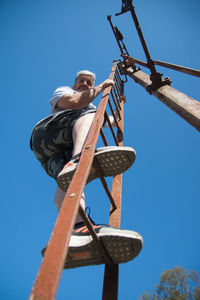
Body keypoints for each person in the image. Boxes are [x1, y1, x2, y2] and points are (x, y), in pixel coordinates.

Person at [31, 70, 143, 268]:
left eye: (89, 82)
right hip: (46, 136)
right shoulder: (65, 91)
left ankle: (77, 227)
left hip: (55, 157)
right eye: (81, 81)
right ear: (74, 85)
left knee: (71, 182)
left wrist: (119, 107)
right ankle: (78, 159)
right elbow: (74, 103)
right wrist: (101, 88)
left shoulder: (90, 107)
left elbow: (107, 121)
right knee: (92, 114)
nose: (85, 84)